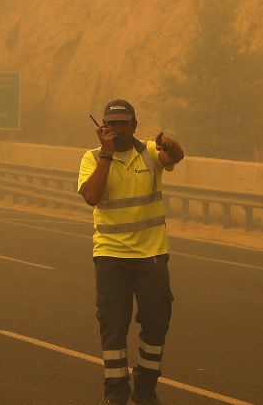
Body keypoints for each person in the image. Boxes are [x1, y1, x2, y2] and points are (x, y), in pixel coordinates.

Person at [77, 99, 185, 405]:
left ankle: (145, 388)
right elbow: (92, 196)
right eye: (111, 124)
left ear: (134, 126)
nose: (117, 129)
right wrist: (107, 157)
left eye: (123, 123)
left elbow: (174, 157)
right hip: (111, 256)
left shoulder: (149, 152)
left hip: (151, 256)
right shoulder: (91, 158)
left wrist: (172, 146)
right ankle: (116, 393)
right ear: (102, 127)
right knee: (114, 326)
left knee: (156, 321)